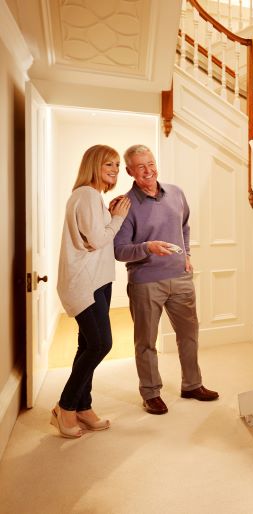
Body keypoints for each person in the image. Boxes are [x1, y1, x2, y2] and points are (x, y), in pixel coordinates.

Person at [114, 144, 218, 415]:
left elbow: (184, 226)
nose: (148, 170)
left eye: (150, 163)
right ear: (129, 171)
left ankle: (192, 384)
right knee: (146, 341)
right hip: (146, 282)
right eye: (140, 167)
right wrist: (148, 247)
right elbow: (119, 250)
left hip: (180, 276)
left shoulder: (176, 193)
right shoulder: (126, 204)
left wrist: (187, 254)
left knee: (189, 335)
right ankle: (150, 393)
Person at [53, 145, 131, 438]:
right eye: (107, 164)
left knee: (86, 346)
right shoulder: (86, 194)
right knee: (101, 344)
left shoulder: (92, 197)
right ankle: (65, 406)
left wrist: (110, 214)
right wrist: (119, 217)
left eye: (116, 165)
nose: (114, 170)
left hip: (97, 281)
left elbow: (95, 236)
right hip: (85, 283)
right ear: (93, 165)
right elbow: (98, 240)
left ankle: (83, 407)